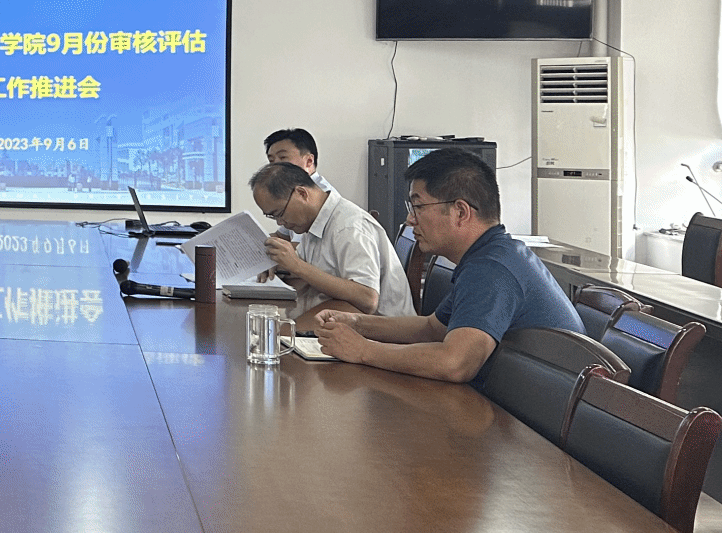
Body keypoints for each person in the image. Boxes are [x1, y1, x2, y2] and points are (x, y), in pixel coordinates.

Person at [313, 148, 581, 382]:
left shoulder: (493, 268)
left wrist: (363, 350)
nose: (409, 220)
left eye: (418, 207)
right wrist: (357, 323)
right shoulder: (487, 256)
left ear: (460, 212)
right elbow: (432, 329)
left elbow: (456, 363)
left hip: (532, 419)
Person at [249, 161, 414, 325]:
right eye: (272, 217)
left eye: (279, 213)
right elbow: (308, 274)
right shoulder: (312, 224)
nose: (280, 223)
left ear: (302, 193)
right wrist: (277, 264)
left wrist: (297, 266)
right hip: (336, 318)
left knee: (269, 333)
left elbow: (367, 299)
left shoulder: (349, 227)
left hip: (380, 331)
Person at [264, 127, 334, 193]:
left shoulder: (322, 194)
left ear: (309, 161)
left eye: (283, 157)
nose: (275, 165)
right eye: (271, 160)